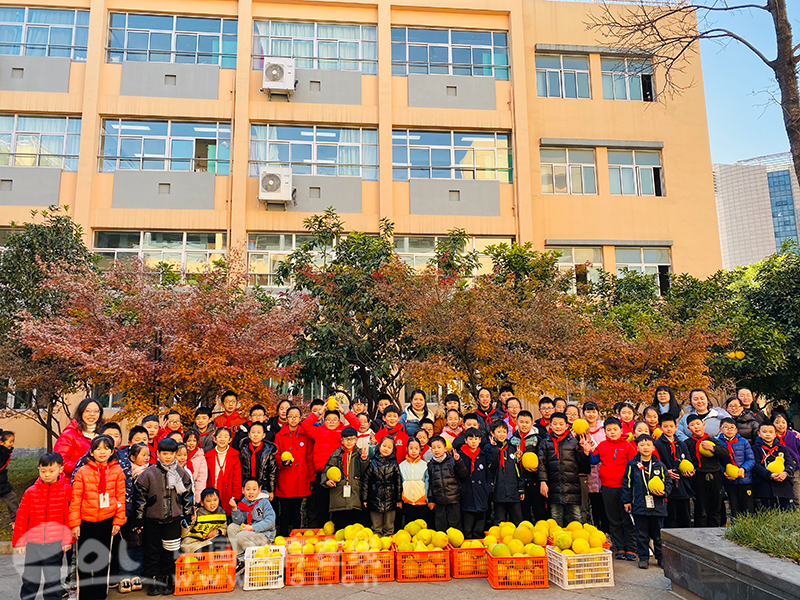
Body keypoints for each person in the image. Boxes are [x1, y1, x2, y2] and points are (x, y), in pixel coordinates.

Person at [69, 435, 126, 600]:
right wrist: (75, 524)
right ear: (91, 452)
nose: (102, 452)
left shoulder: (117, 471)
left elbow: (121, 498)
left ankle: (100, 594)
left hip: (107, 521)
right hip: (85, 521)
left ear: (112, 451)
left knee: (102, 559)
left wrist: (118, 521)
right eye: (98, 448)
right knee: (86, 559)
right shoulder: (82, 471)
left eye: (106, 448)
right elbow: (75, 499)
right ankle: (85, 595)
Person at [133, 437, 193, 596]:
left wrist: (188, 514)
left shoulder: (182, 473)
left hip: (173, 520)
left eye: (171, 453)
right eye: (164, 453)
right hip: (152, 519)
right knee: (152, 551)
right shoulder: (149, 473)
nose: (168, 457)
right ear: (158, 453)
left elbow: (188, 496)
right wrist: (139, 518)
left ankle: (167, 578)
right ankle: (153, 580)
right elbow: (140, 498)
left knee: (171, 551)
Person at [14, 452, 73, 600]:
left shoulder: (66, 491)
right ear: (38, 469)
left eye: (51, 471)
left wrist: (67, 540)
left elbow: (68, 518)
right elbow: (21, 518)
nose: (47, 474)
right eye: (43, 471)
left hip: (55, 544)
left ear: (61, 469)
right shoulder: (30, 492)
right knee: (30, 577)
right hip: (33, 543)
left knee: (52, 578)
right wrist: (19, 542)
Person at [301, 400, 360, 527]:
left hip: (340, 474)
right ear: (324, 420)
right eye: (328, 419)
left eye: (335, 419)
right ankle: (324, 531)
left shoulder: (343, 431)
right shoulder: (318, 431)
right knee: (322, 506)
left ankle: (338, 529)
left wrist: (344, 411)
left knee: (339, 507)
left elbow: (357, 424)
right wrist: (319, 413)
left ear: (339, 421)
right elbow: (305, 425)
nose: (332, 422)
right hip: (322, 473)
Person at [622, 435, 671, 570]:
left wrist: (664, 492)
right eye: (642, 445)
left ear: (653, 447)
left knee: (658, 535)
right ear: (637, 448)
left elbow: (668, 482)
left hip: (658, 506)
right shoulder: (632, 465)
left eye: (648, 445)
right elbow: (627, 483)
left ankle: (660, 558)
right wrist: (627, 501)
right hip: (639, 505)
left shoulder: (660, 465)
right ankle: (643, 558)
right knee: (641, 534)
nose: (645, 448)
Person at [591, 417, 637, 561]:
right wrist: (587, 450)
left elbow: (634, 465)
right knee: (613, 519)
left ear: (621, 430)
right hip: (607, 487)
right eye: (609, 430)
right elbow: (593, 460)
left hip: (624, 488)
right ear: (604, 431)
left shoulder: (627, 446)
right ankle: (620, 547)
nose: (612, 432)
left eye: (615, 429)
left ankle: (631, 548)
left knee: (627, 518)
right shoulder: (602, 445)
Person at [539, 412, 592, 527]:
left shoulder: (573, 442)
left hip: (572, 487)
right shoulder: (545, 442)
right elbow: (542, 464)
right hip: (554, 487)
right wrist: (543, 482)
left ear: (566, 426)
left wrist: (586, 452)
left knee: (577, 518)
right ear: (550, 425)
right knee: (556, 519)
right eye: (555, 424)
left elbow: (582, 465)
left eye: (561, 424)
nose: (558, 427)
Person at [273, 406, 312, 536]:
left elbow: (309, 457)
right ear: (286, 418)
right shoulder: (280, 436)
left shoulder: (305, 435)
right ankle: (283, 536)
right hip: (285, 477)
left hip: (301, 477)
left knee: (297, 510)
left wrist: (311, 477)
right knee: (284, 511)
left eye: (296, 416)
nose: (293, 419)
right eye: (290, 416)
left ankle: (297, 536)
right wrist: (282, 462)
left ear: (300, 418)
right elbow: (276, 455)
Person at [684, 414, 728, 527]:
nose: (696, 427)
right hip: (698, 477)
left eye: (698, 424)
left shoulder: (712, 440)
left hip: (715, 475)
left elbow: (725, 453)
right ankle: (701, 532)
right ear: (688, 428)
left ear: (703, 425)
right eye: (692, 425)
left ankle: (715, 530)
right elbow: (686, 460)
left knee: (715, 506)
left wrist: (713, 448)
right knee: (700, 507)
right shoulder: (688, 443)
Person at [321, 427, 369, 529]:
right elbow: (327, 470)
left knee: (354, 528)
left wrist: (364, 461)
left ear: (356, 440)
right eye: (346, 439)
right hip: (338, 497)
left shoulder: (360, 454)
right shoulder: (336, 454)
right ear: (342, 441)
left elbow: (366, 473)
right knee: (339, 527)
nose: (349, 441)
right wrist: (326, 481)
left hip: (355, 497)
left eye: (352, 439)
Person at [654, 415, 694, 529]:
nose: (669, 429)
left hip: (683, 484)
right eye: (665, 426)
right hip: (668, 486)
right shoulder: (657, 445)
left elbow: (688, 460)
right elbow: (656, 464)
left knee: (685, 517)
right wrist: (666, 472)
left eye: (671, 426)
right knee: (670, 517)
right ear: (660, 428)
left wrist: (691, 471)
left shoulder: (681, 444)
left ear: (676, 427)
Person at [228, 478, 276, 568]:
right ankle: (240, 557)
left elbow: (271, 521)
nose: (251, 492)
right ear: (243, 490)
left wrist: (252, 527)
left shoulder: (264, 502)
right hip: (250, 535)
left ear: (259, 490)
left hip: (263, 535)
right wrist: (235, 509)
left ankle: (255, 559)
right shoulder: (243, 502)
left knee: (241, 536)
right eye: (248, 489)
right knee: (232, 527)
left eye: (254, 489)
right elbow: (240, 522)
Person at [457, 428, 495, 539]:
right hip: (467, 494)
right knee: (467, 526)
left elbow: (489, 472)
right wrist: (462, 488)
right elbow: (458, 475)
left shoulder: (482, 455)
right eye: (470, 439)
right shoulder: (460, 456)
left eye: (476, 439)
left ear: (479, 440)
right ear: (465, 440)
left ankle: (478, 544)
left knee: (480, 525)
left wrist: (488, 487)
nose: (473, 441)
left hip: (481, 494)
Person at [361, 437, 403, 536]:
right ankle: (377, 541)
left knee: (389, 526)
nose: (386, 449)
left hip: (390, 499)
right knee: (376, 526)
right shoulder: (373, 463)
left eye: (389, 447)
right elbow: (366, 481)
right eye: (384, 446)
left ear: (393, 450)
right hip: (375, 498)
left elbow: (398, 483)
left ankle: (388, 541)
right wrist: (365, 498)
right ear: (379, 447)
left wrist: (399, 499)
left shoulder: (394, 464)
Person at [511, 410, 546, 523]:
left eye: (527, 422)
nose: (524, 425)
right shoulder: (512, 440)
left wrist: (538, 469)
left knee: (539, 510)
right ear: (517, 422)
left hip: (535, 479)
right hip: (520, 481)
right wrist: (518, 458)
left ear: (532, 423)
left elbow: (543, 457)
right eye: (521, 422)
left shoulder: (538, 439)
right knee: (523, 512)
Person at [54, 398, 105, 477]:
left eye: (96, 411)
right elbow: (60, 461)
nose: (92, 414)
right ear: (81, 412)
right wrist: (84, 468)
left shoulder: (103, 433)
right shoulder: (69, 434)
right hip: (74, 480)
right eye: (87, 411)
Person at [752, 421, 796, 510]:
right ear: (759, 433)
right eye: (764, 432)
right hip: (765, 485)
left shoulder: (782, 448)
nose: (768, 434)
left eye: (771, 432)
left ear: (775, 434)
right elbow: (756, 465)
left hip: (783, 484)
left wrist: (785, 473)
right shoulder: (755, 448)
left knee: (786, 511)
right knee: (769, 511)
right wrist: (769, 474)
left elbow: (790, 463)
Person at [427, 436, 468, 530]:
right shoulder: (430, 465)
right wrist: (431, 499)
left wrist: (458, 461)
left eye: (439, 447)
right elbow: (430, 483)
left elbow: (463, 474)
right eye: (433, 448)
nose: (436, 450)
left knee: (454, 526)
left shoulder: (452, 461)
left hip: (453, 500)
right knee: (441, 527)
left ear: (445, 449)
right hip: (439, 502)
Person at [717, 417, 755, 516]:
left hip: (745, 480)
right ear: (720, 429)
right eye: (726, 427)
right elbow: (716, 462)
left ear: (736, 430)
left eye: (732, 427)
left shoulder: (743, 442)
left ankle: (748, 524)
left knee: (747, 507)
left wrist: (744, 469)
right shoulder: (717, 443)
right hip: (729, 481)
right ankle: (736, 524)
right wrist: (723, 472)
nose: (729, 430)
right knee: (734, 507)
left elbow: (751, 459)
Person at [490, 421, 524, 525]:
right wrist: (494, 449)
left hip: (513, 491)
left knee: (517, 519)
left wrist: (521, 488)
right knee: (499, 521)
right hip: (498, 492)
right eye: (499, 431)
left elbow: (518, 471)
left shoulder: (512, 448)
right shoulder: (489, 448)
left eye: (504, 432)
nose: (502, 434)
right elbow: (491, 466)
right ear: (492, 433)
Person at [582, 401, 607, 532]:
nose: (591, 414)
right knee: (593, 504)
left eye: (593, 411)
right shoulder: (580, 429)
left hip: (605, 471)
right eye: (588, 411)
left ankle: (606, 531)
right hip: (589, 473)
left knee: (605, 505)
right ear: (583, 413)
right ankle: (596, 529)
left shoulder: (605, 428)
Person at [205, 428, 241, 517]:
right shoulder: (208, 455)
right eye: (220, 436)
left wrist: (235, 495)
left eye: (225, 437)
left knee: (226, 513)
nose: (222, 439)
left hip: (228, 491)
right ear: (215, 439)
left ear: (230, 440)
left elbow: (237, 477)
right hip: (212, 488)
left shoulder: (234, 455)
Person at [181, 487, 228, 554]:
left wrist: (218, 531)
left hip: (208, 541)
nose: (212, 503)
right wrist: (189, 520)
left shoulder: (221, 512)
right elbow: (184, 534)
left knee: (222, 539)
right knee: (201, 551)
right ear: (202, 503)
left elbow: (224, 528)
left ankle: (207, 554)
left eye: (215, 500)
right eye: (208, 501)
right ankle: (205, 554)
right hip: (193, 543)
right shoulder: (196, 513)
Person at [238, 422, 277, 500]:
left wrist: (271, 490)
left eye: (259, 432)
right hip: (246, 486)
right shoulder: (243, 448)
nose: (255, 435)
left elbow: (272, 471)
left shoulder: (268, 450)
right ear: (249, 435)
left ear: (263, 435)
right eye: (253, 432)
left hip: (263, 486)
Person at [399, 438, 430, 527]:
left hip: (422, 501)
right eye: (411, 448)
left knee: (422, 526)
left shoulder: (425, 465)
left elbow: (428, 483)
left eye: (416, 448)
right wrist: (400, 498)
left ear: (420, 449)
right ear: (407, 449)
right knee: (409, 526)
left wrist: (427, 498)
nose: (414, 451)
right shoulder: (401, 466)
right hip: (407, 501)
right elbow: (399, 484)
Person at [772, 409, 800, 506]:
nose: (781, 425)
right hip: (778, 469)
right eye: (777, 422)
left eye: (783, 422)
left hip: (795, 467)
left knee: (797, 490)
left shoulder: (794, 435)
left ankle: (797, 509)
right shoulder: (770, 437)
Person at [183, 430, 208, 502]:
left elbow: (201, 479)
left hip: (194, 490)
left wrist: (197, 498)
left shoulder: (200, 457)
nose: (191, 443)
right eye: (189, 441)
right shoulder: (181, 455)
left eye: (194, 441)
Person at [0, 431, 18, 523]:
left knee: (12, 499)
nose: (12, 444)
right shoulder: (2, 452)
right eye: (10, 441)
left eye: (13, 441)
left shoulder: (6, 452)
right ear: (1, 443)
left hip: (2, 482)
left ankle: (16, 520)